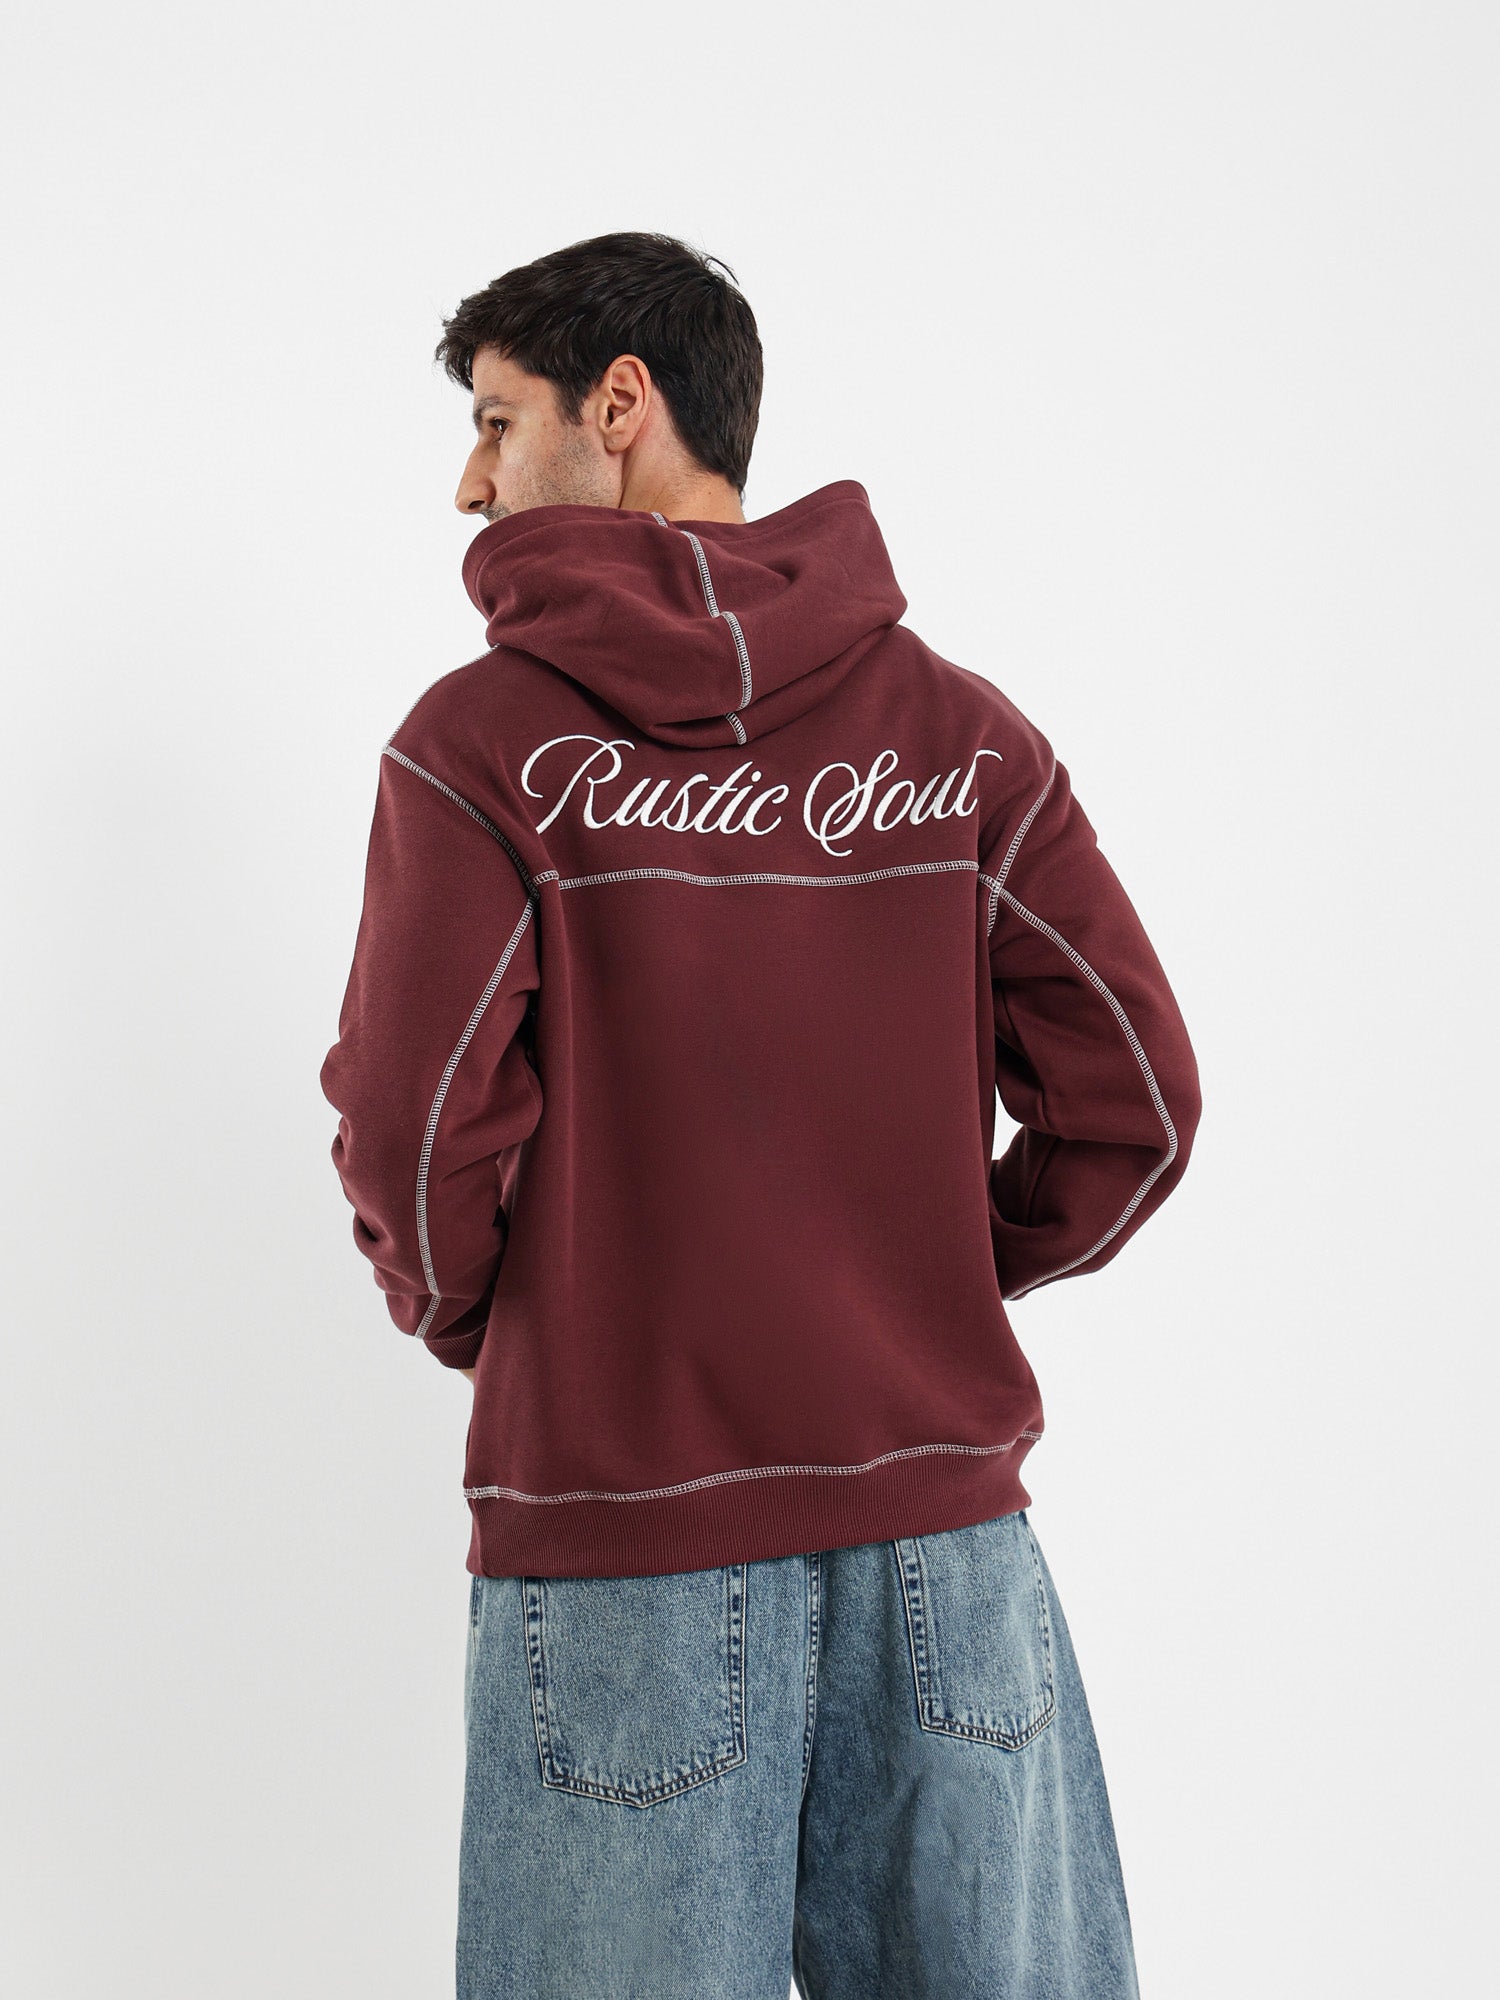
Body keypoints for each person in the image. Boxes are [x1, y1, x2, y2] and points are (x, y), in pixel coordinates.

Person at [319, 230, 1202, 1999]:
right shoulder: (962, 737)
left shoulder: (481, 747)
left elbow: (416, 1140)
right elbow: (1140, 1100)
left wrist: (519, 1319)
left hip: (622, 1537)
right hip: (949, 1550)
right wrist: (921, 1274)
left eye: (496, 421)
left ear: (618, 405)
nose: (470, 483)